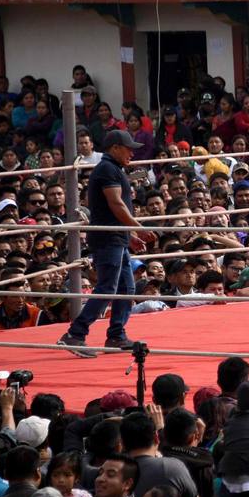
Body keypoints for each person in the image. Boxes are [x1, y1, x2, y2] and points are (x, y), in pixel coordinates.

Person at [57, 130, 146, 354]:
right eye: (128, 149)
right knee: (108, 287)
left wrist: (131, 235)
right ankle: (75, 333)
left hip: (116, 237)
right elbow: (116, 204)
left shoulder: (112, 169)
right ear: (115, 148)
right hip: (109, 239)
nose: (131, 154)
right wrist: (138, 229)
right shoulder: (107, 169)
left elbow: (113, 208)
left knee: (126, 287)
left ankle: (116, 334)